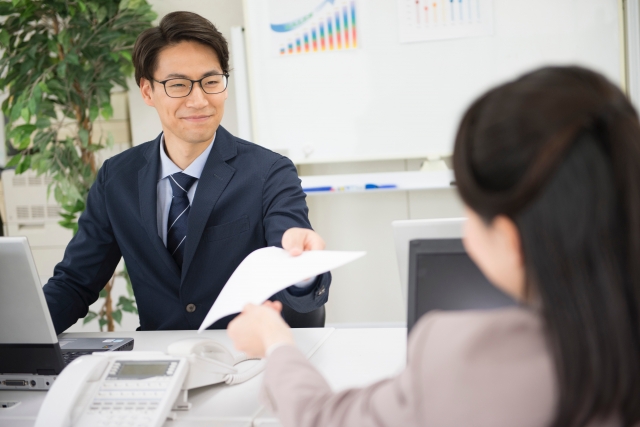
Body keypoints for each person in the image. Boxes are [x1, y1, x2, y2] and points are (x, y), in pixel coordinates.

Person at [227, 66, 640, 427]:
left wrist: (276, 344)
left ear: (511, 241)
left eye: (471, 206)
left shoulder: (471, 359)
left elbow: (324, 418)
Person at [43, 11, 331, 334]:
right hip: (161, 363)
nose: (199, 100)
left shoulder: (269, 173)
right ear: (148, 91)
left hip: (246, 359)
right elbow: (74, 283)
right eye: (178, 85)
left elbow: (296, 274)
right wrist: (18, 334)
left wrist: (302, 267)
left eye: (211, 82)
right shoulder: (116, 179)